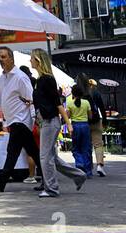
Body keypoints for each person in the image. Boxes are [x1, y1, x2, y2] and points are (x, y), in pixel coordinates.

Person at [0, 46, 42, 192]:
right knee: (32, 152)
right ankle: (49, 178)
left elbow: (31, 98)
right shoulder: (3, 77)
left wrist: (35, 119)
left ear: (11, 59)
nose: (1, 60)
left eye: (3, 57)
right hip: (13, 120)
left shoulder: (20, 77)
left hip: (21, 120)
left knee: (13, 151)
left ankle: (1, 181)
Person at [31, 48, 85, 197]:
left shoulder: (47, 79)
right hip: (46, 121)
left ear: (38, 60)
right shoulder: (40, 80)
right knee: (51, 157)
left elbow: (57, 102)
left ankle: (52, 188)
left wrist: (68, 123)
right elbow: (47, 101)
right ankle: (79, 175)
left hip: (50, 121)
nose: (30, 61)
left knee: (45, 156)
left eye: (32, 58)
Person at [67, 79, 94, 178]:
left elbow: (68, 116)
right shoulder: (86, 102)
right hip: (85, 126)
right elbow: (90, 116)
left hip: (75, 126)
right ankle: (88, 172)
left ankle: (79, 164)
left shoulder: (70, 104)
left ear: (73, 93)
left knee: (76, 148)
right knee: (86, 148)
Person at [88, 78, 107, 176]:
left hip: (85, 121)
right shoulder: (96, 93)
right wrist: (104, 119)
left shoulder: (83, 93)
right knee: (98, 144)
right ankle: (100, 165)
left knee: (87, 145)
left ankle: (88, 167)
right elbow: (102, 107)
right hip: (96, 120)